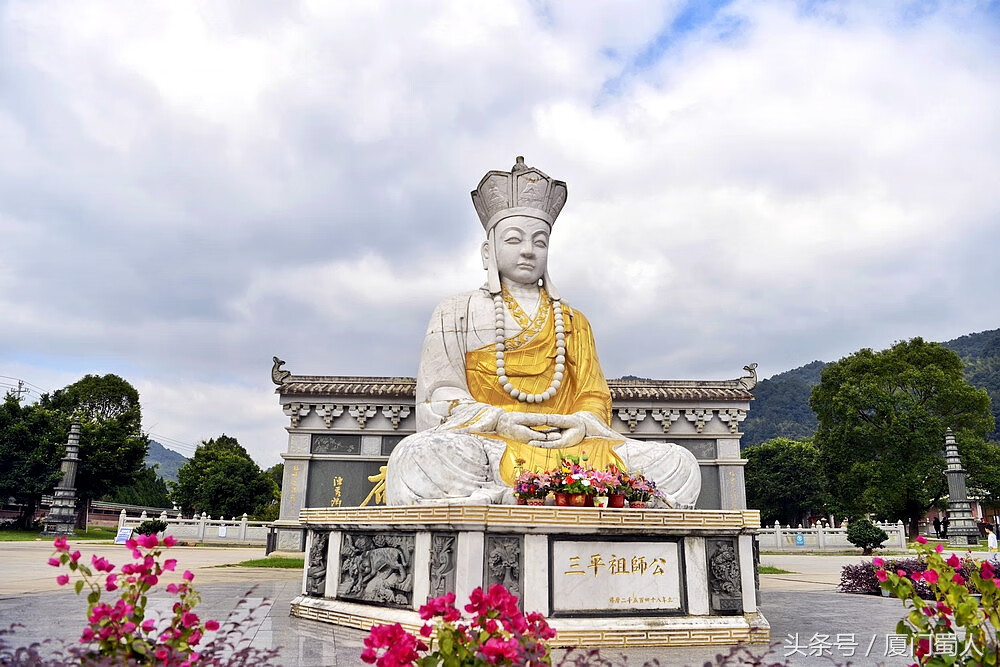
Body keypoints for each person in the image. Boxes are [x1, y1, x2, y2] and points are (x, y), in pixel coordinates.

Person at [385, 157, 701, 507]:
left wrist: (580, 425)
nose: (528, 251)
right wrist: (501, 421)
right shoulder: (455, 311)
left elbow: (594, 398)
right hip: (491, 442)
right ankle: (565, 495)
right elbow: (438, 396)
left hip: (573, 448)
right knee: (417, 454)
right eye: (514, 239)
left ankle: (518, 496)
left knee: (678, 463)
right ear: (488, 251)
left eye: (540, 241)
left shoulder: (573, 319)